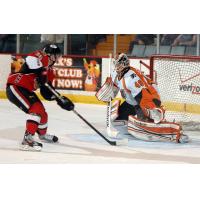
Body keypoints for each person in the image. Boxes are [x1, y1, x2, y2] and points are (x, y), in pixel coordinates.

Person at [96, 53, 189, 143]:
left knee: (148, 121)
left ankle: (170, 128)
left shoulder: (131, 79)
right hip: (132, 101)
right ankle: (139, 126)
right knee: (117, 121)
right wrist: (108, 89)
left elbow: (144, 96)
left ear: (124, 64)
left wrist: (147, 112)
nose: (116, 67)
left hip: (150, 98)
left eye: (118, 64)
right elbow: (114, 85)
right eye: (115, 64)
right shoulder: (117, 73)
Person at [6, 44, 74, 151]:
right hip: (16, 85)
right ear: (49, 55)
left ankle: (42, 135)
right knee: (36, 109)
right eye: (55, 56)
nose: (56, 59)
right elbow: (30, 59)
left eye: (58, 56)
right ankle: (27, 140)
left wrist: (59, 99)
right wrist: (41, 71)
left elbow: (46, 92)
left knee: (42, 113)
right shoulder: (41, 56)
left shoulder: (50, 71)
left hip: (26, 90)